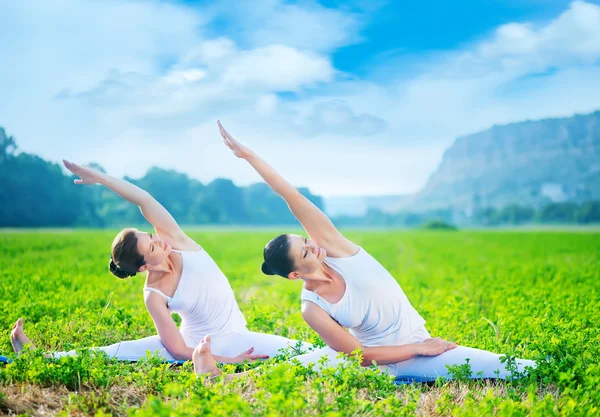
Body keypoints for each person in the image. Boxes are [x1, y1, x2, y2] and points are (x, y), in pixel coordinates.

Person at [197, 120, 536, 382]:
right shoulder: (311, 309)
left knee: (507, 367)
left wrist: (249, 156)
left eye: (306, 240)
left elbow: (292, 198)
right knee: (292, 370)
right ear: (296, 274)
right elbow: (358, 356)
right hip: (383, 359)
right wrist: (419, 348)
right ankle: (216, 377)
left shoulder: (336, 248)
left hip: (415, 346)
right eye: (306, 252)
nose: (313, 245)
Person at [10, 160, 312, 364]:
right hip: (203, 346)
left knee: (303, 351)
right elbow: (179, 350)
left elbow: (144, 200)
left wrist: (100, 179)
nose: (158, 240)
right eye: (151, 245)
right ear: (144, 267)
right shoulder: (154, 295)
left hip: (235, 335)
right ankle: (35, 356)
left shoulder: (176, 241)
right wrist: (227, 360)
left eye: (149, 235)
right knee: (115, 351)